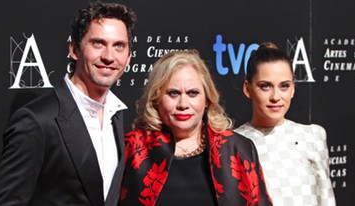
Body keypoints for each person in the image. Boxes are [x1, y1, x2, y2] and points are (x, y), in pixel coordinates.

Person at [0, 2, 137, 205]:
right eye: (98, 43)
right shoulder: (37, 121)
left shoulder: (118, 115)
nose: (109, 57)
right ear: (74, 49)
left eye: (119, 46)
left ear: (128, 58)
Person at [118, 50, 273, 206]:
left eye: (193, 93)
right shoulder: (132, 148)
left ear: (206, 99)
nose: (183, 104)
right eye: (173, 93)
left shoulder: (237, 148)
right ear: (156, 98)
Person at [234, 42, 336, 206]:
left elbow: (327, 198)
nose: (276, 96)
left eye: (284, 86)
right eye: (265, 86)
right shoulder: (235, 142)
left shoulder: (313, 136)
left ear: (293, 89)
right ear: (248, 89)